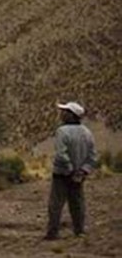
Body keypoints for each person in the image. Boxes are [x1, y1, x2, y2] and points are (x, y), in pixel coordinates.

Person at [44, 101, 99, 240]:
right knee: (77, 203)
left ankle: (53, 232)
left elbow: (61, 154)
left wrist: (70, 170)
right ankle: (79, 230)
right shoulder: (87, 133)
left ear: (72, 115)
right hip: (79, 175)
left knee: (56, 204)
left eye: (66, 112)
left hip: (62, 174)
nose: (62, 114)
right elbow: (93, 156)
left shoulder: (62, 131)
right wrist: (83, 171)